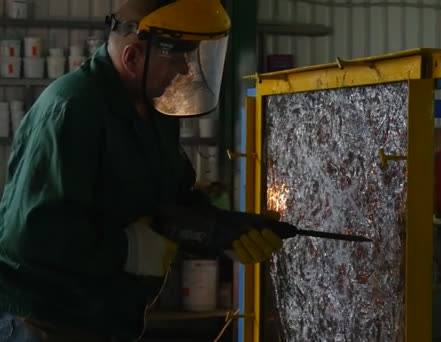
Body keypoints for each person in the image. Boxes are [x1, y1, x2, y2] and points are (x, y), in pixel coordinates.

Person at [0, 1, 296, 341]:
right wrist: (131, 249)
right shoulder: (72, 109)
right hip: (44, 320)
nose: (186, 70)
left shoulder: (152, 108)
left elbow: (170, 198)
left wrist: (224, 229)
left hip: (104, 317)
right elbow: (33, 238)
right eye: (178, 57)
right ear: (132, 58)